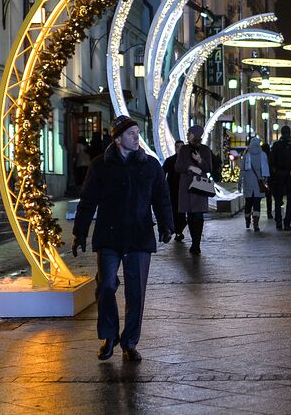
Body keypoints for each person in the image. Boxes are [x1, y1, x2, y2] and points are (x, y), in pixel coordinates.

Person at [72, 116, 173, 362]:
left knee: (136, 293)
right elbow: (87, 201)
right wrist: (80, 232)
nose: (136, 137)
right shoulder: (100, 166)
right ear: (117, 139)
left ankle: (129, 342)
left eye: (138, 133)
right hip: (109, 236)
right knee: (106, 285)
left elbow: (162, 197)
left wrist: (167, 225)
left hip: (139, 236)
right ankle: (109, 336)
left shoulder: (150, 165)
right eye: (131, 134)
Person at [174, 124, 215, 255]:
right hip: (186, 186)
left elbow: (209, 168)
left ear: (196, 134)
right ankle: (193, 241)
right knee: (190, 216)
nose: (187, 134)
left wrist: (200, 160)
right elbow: (178, 166)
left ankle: (196, 243)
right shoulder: (184, 149)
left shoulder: (205, 149)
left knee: (198, 215)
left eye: (190, 133)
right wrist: (190, 168)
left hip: (199, 186)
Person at [269, 125, 291, 230]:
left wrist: (275, 172)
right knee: (290, 200)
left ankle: (278, 222)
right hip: (290, 175)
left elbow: (271, 161)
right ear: (289, 133)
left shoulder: (276, 145)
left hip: (279, 175)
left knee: (278, 200)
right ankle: (287, 223)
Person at [241, 136, 269, 231]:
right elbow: (266, 170)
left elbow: (242, 170)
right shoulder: (263, 155)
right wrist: (265, 180)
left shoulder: (246, 155)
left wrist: (240, 182)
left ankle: (247, 220)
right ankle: (256, 223)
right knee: (257, 203)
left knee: (248, 202)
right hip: (259, 182)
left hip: (248, 182)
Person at [164, 141, 186, 241]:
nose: (179, 149)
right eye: (178, 147)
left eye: (181, 147)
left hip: (184, 190)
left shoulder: (187, 160)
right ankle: (178, 231)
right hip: (173, 190)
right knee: (176, 211)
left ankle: (178, 230)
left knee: (181, 212)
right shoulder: (170, 160)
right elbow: (162, 173)